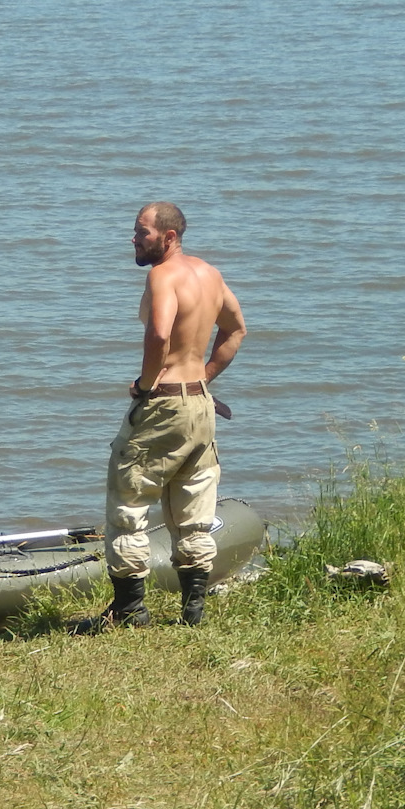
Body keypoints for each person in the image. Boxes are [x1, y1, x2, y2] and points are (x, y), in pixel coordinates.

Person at [78, 201, 245, 632]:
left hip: (164, 404)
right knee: (194, 504)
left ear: (168, 237)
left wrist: (147, 385)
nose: (133, 239)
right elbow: (236, 329)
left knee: (129, 501)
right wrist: (205, 378)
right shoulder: (209, 274)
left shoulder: (162, 275)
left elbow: (159, 332)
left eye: (142, 232)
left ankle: (130, 612)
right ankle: (193, 612)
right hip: (200, 406)